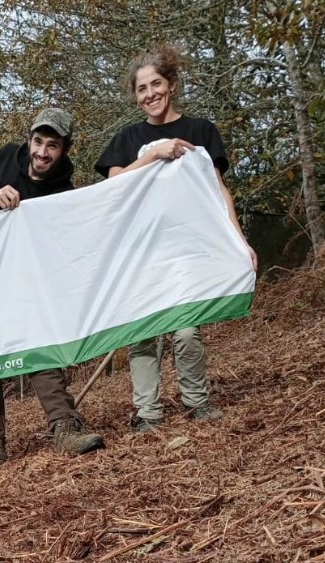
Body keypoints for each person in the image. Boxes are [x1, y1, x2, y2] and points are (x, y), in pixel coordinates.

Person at [94, 45, 258, 433]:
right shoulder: (129, 137)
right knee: (145, 334)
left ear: (171, 85)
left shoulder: (200, 131)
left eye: (156, 84)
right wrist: (154, 156)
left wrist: (241, 240)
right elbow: (113, 184)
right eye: (141, 89)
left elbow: (219, 191)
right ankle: (147, 414)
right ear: (134, 95)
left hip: (187, 249)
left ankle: (197, 401)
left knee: (187, 329)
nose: (150, 94)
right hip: (141, 251)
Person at [0, 108, 106, 462]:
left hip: (32, 282)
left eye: (52, 145)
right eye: (38, 141)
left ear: (65, 150)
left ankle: (64, 427)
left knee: (42, 348)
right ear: (29, 140)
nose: (42, 152)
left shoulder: (64, 192)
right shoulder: (1, 161)